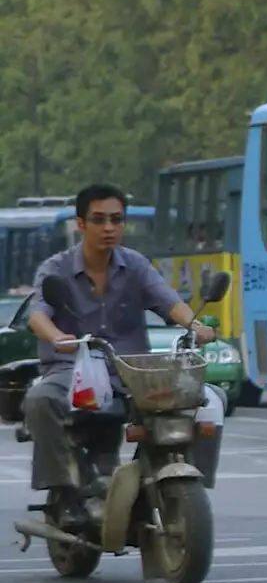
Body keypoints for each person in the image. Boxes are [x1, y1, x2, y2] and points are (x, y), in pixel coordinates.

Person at [24, 184, 216, 528]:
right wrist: (57, 337)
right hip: (75, 370)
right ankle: (64, 493)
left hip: (130, 373)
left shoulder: (136, 265)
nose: (109, 227)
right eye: (99, 220)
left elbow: (168, 300)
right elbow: (37, 314)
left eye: (116, 219)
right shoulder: (55, 268)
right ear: (81, 224)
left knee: (208, 400)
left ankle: (172, 477)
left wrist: (195, 325)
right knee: (39, 399)